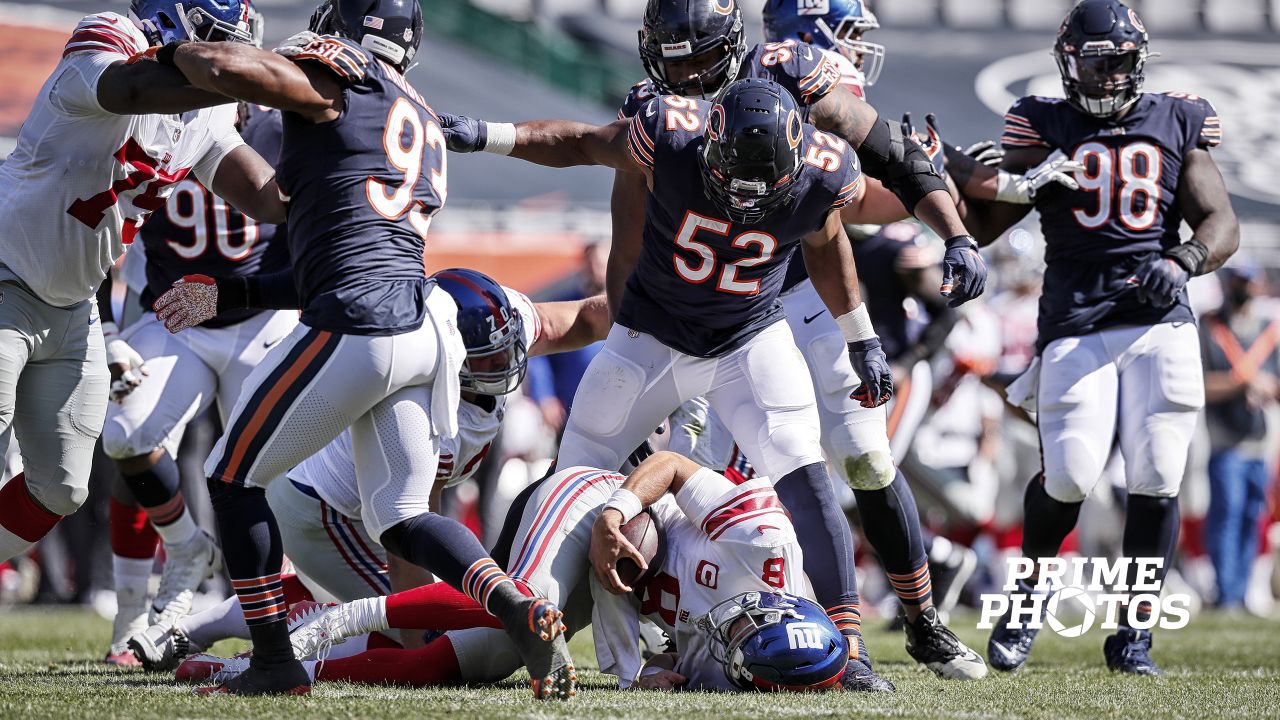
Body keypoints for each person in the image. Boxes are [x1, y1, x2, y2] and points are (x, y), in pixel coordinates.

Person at [140, 0, 573, 697]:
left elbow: (230, 65)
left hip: (358, 322)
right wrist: (234, 294)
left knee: (229, 478)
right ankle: (514, 605)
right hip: (419, 328)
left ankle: (277, 664)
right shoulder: (421, 117)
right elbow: (334, 252)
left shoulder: (344, 76)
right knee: (402, 517)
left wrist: (164, 57)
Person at [441, 76, 902, 689]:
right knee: (571, 487)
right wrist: (488, 136)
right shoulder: (670, 133)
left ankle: (851, 645)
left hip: (748, 339)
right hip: (648, 338)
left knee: (803, 466)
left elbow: (827, 242)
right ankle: (516, 609)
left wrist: (860, 334)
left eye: (762, 189)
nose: (744, 200)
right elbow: (580, 141)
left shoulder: (825, 170)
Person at [949, 0, 1239, 675]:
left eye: (1119, 63)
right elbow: (993, 219)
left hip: (1158, 318)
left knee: (1158, 476)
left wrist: (1185, 260)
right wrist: (959, 186)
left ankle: (1134, 638)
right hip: (1077, 321)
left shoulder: (1177, 117)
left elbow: (1220, 219)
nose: (1108, 78)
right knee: (1072, 476)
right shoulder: (1041, 122)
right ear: (1068, 63)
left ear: (1139, 62)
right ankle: (1028, 599)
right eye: (1095, 63)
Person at [127, 268, 610, 672]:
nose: (504, 365)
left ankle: (198, 629)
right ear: (450, 356)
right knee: (421, 633)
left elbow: (586, 317)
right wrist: (422, 637)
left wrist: (662, 311)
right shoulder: (419, 400)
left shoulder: (497, 318)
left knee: (435, 611)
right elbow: (408, 538)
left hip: (356, 507)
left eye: (506, 350)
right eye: (487, 358)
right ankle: (247, 662)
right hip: (325, 514)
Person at [0, 0, 284, 572]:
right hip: (6, 274)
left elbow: (263, 195)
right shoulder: (110, 37)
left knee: (60, 488)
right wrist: (240, 79)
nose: (237, 60)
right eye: (226, 45)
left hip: (71, 301)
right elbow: (130, 91)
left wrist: (350, 180)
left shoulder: (203, 115)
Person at [184, 452, 855, 694]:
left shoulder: (746, 670)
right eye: (744, 620)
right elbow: (675, 464)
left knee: (455, 665)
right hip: (595, 505)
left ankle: (244, 656)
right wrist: (618, 512)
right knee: (525, 608)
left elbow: (663, 637)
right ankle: (339, 618)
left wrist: (648, 669)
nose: (732, 627)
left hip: (613, 585)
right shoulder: (762, 539)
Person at [101, 89, 297, 664]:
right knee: (125, 432)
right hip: (172, 312)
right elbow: (92, 232)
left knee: (278, 476)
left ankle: (274, 622)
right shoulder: (143, 123)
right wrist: (111, 334)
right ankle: (165, 572)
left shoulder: (281, 129)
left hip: (260, 312)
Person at [1200, 263, 1278, 611]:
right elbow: (1198, 384)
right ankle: (1226, 591)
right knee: (1227, 511)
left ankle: (1244, 590)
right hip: (1222, 436)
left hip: (1260, 435)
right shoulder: (1209, 326)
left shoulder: (1268, 330)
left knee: (1252, 513)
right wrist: (1241, 383)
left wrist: (1268, 387)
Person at [525, 240, 609, 434]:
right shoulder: (567, 306)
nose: (596, 269)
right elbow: (540, 353)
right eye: (592, 263)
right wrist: (544, 395)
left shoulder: (629, 308)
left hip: (620, 412)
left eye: (602, 263)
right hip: (571, 413)